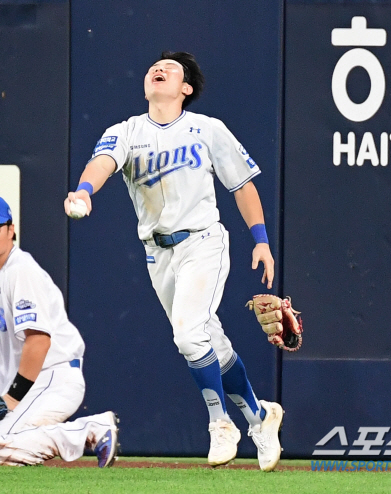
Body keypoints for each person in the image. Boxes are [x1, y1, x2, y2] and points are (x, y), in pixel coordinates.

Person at [64, 51, 283, 471]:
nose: (156, 69)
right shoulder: (126, 131)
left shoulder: (206, 129)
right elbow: (103, 163)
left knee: (186, 335)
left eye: (170, 69)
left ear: (186, 88)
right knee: (209, 341)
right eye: (152, 67)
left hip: (203, 243)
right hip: (158, 253)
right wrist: (84, 191)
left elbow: (242, 184)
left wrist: (261, 241)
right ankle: (260, 416)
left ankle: (221, 424)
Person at [0, 193, 118, 467]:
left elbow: (39, 342)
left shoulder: (21, 271)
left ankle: (89, 429)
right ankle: (16, 430)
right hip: (17, 372)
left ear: (11, 230)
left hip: (52, 375)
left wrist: (9, 400)